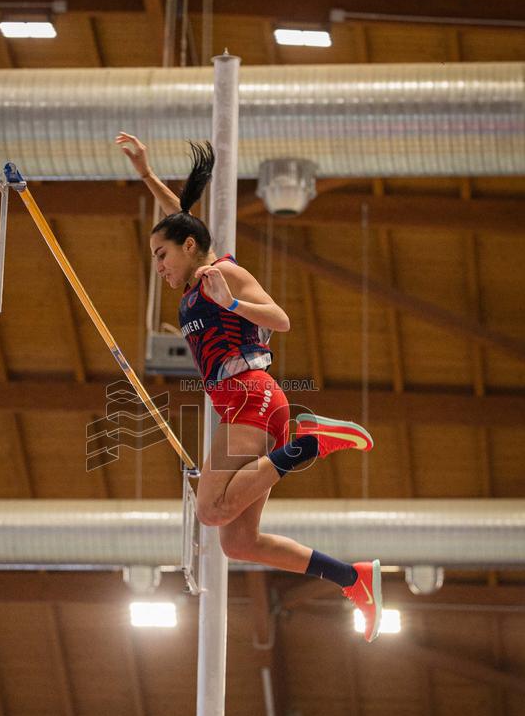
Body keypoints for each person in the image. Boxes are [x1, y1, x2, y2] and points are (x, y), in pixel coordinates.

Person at [116, 132, 383, 642]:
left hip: (249, 394)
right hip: (246, 402)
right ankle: (353, 578)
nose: (159, 265)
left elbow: (281, 320)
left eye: (161, 255)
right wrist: (146, 173)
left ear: (188, 247)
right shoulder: (194, 267)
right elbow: (179, 218)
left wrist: (232, 304)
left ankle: (311, 443)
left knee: (211, 509)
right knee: (239, 542)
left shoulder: (223, 273)